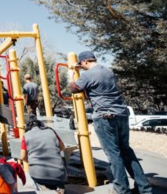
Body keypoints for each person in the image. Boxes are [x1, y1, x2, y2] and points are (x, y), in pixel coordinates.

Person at [69, 51, 152, 194]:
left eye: (81, 66)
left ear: (84, 62)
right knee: (127, 151)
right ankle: (144, 189)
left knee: (114, 154)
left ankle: (122, 190)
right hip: (121, 113)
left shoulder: (88, 75)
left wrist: (72, 73)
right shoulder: (108, 71)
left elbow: (73, 88)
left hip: (104, 116)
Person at [20, 115, 67, 193]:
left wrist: (32, 161)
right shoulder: (51, 131)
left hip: (38, 174)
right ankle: (59, 187)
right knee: (62, 160)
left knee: (36, 173)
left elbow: (22, 156)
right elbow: (62, 147)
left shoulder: (26, 136)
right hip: (59, 175)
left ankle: (41, 187)